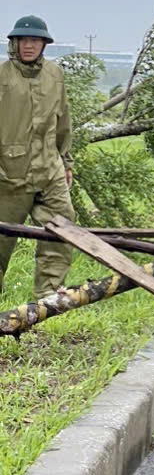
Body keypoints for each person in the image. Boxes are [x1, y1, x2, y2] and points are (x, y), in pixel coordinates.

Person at [0, 16, 75, 298]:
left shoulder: (54, 75)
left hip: (49, 170)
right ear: (14, 44)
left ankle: (49, 294)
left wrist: (65, 162)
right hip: (9, 174)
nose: (29, 46)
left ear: (44, 44)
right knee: (2, 239)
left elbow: (63, 119)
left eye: (35, 40)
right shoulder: (2, 76)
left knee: (62, 227)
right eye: (23, 40)